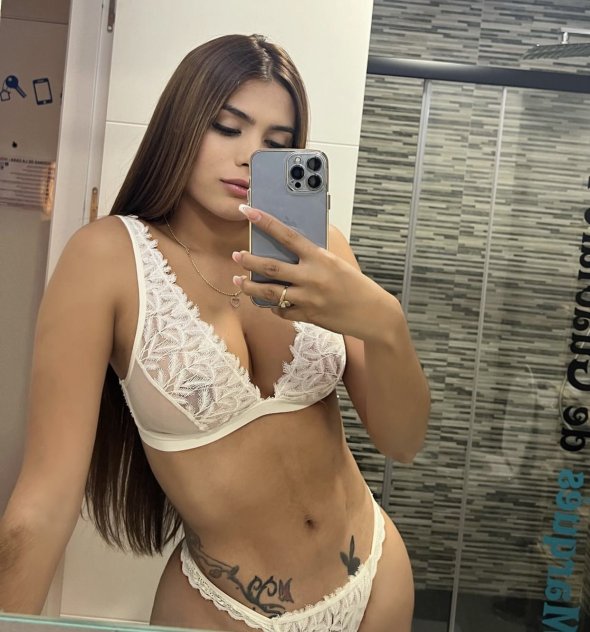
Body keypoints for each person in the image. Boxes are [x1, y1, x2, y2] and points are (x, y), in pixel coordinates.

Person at [0, 34, 430, 632]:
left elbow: (403, 442)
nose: (250, 156)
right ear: (181, 125)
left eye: (276, 143)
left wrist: (385, 322)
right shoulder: (108, 260)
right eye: (228, 128)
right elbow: (44, 503)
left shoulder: (319, 251)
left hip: (374, 578)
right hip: (221, 610)